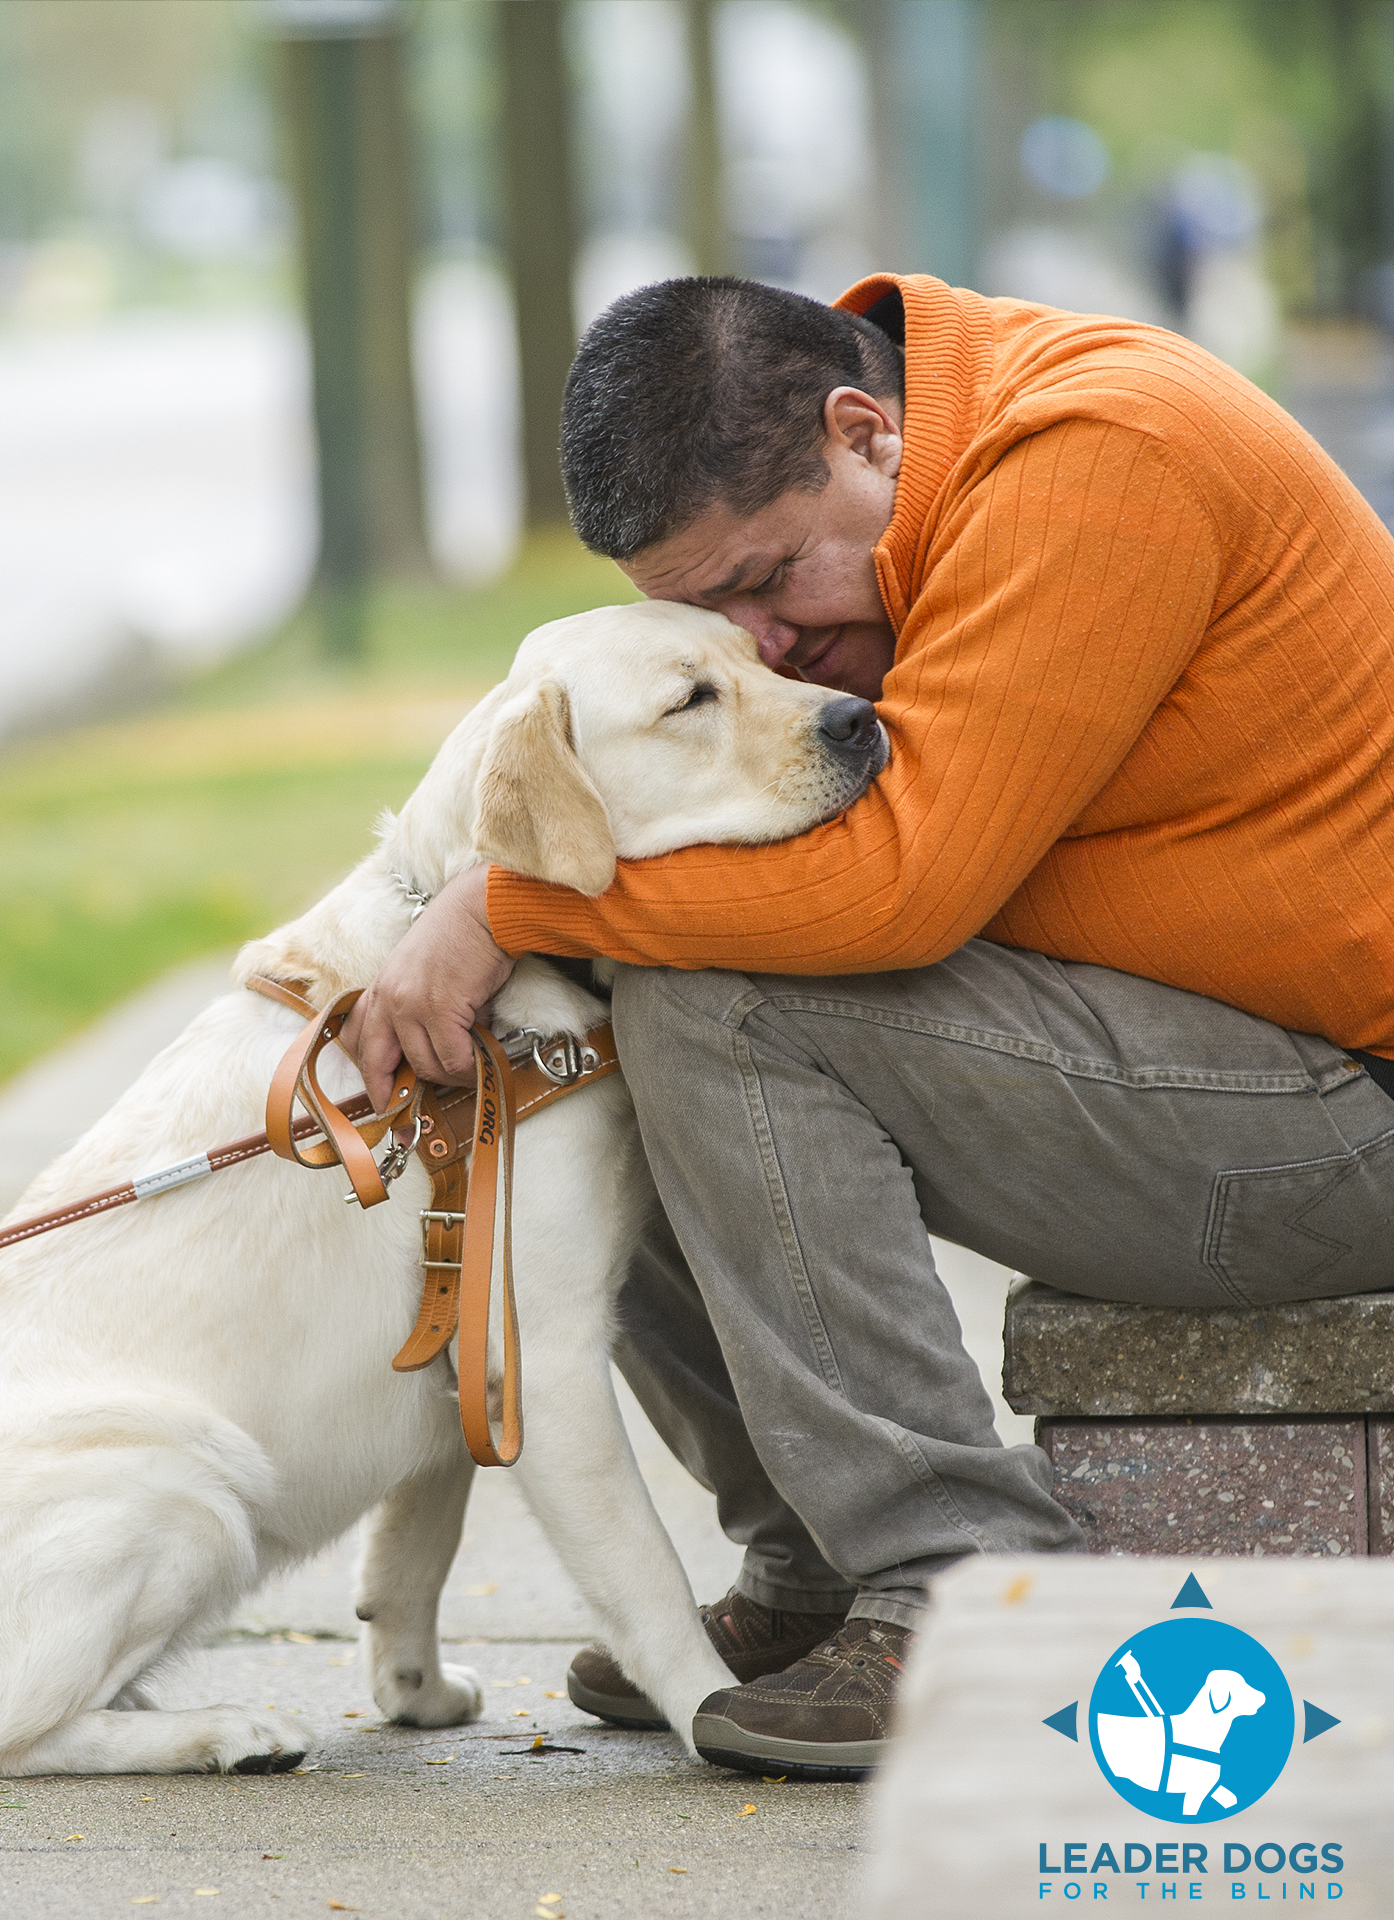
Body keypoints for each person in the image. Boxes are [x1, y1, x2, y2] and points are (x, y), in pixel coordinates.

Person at [338, 272, 1394, 1778]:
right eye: (705, 614)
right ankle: (815, 1563)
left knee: (711, 989)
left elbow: (903, 894)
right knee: (602, 1002)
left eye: (770, 580)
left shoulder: (1102, 458)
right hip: (1223, 1057)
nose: (761, 644)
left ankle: (963, 1585)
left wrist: (512, 910)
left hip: (1350, 1117)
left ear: (865, 430)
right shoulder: (925, 466)